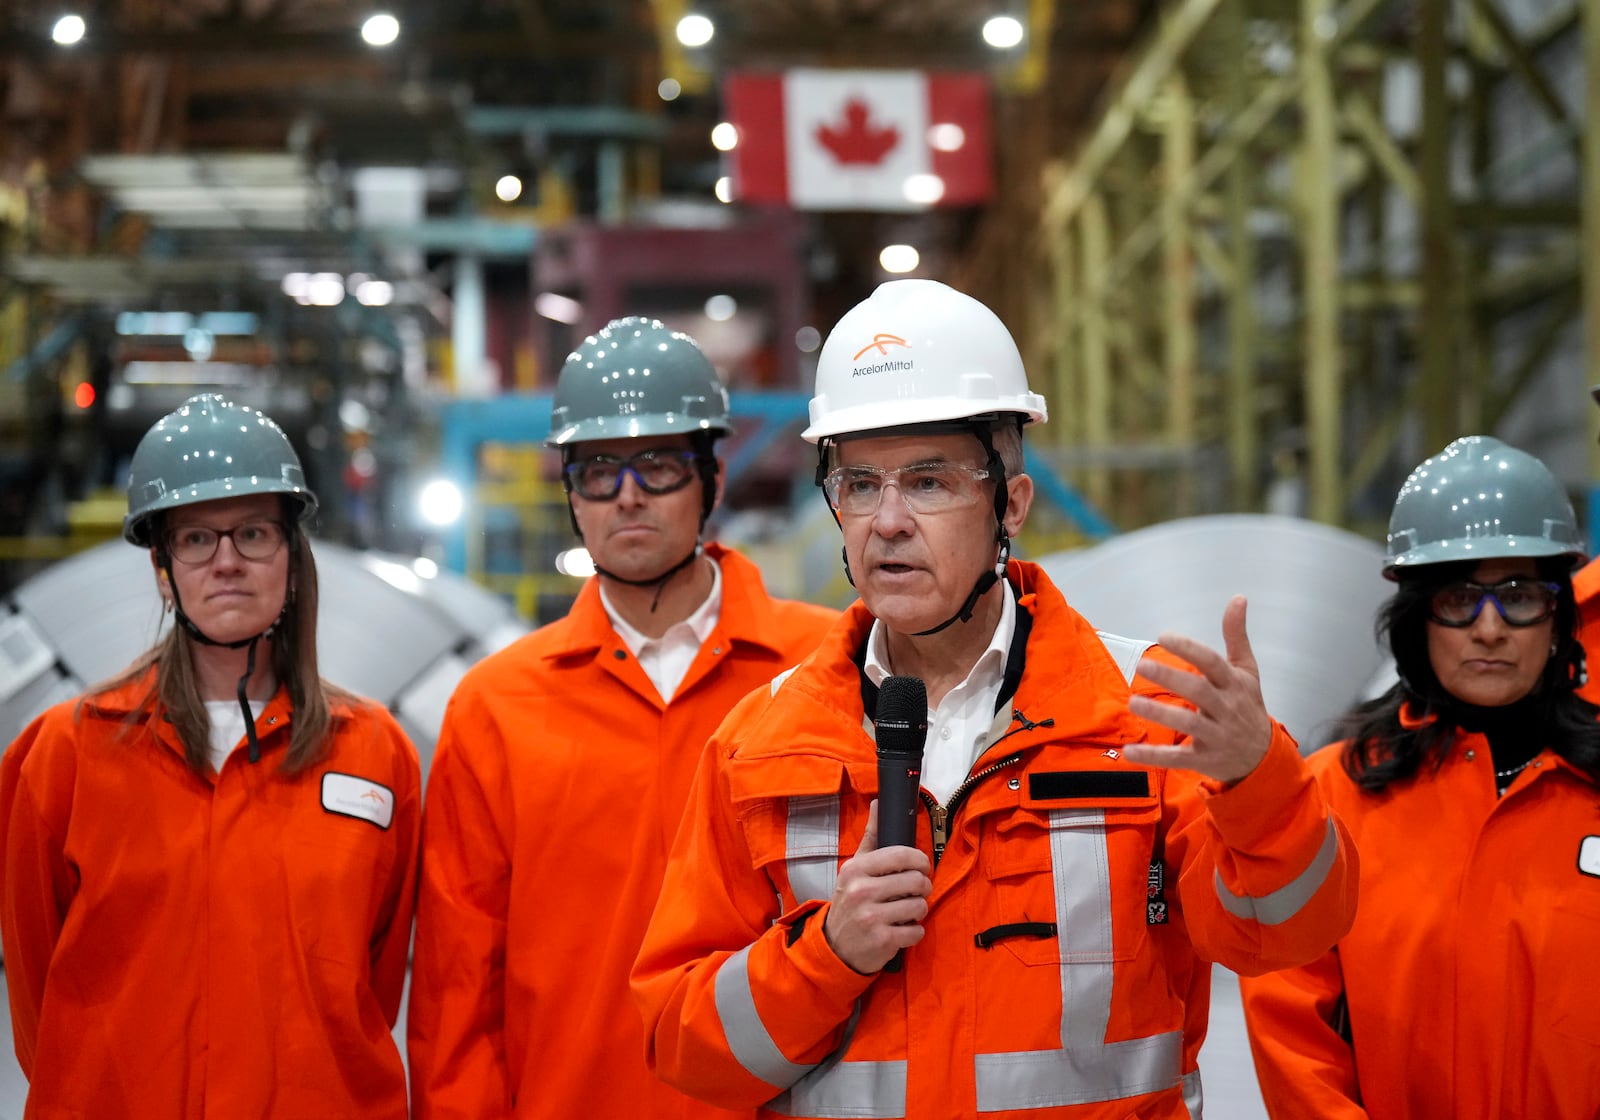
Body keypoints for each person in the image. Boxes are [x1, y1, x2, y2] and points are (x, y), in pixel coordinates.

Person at [630, 279, 1357, 1118]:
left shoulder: (1142, 717)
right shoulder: (761, 743)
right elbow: (684, 1047)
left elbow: (1282, 936)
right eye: (860, 484)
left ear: (1009, 503)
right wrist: (827, 953)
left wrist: (1258, 783)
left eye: (930, 482)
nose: (887, 521)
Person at [407, 317, 839, 1119]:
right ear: (569, 492)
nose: (629, 495)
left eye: (660, 466)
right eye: (599, 470)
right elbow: (457, 987)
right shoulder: (498, 705)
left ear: (711, 477)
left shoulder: (824, 670)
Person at [0, 393, 421, 1119]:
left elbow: (372, 985)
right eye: (196, 539)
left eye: (254, 533)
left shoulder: (375, 753)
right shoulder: (68, 752)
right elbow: (39, 994)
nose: (227, 562)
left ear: (293, 556)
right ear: (163, 566)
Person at [1239, 434, 1600, 1119]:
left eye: (1518, 595)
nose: (1489, 628)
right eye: (1459, 599)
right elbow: (1292, 1033)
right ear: (1417, 619)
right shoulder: (1331, 801)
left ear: (1557, 617)